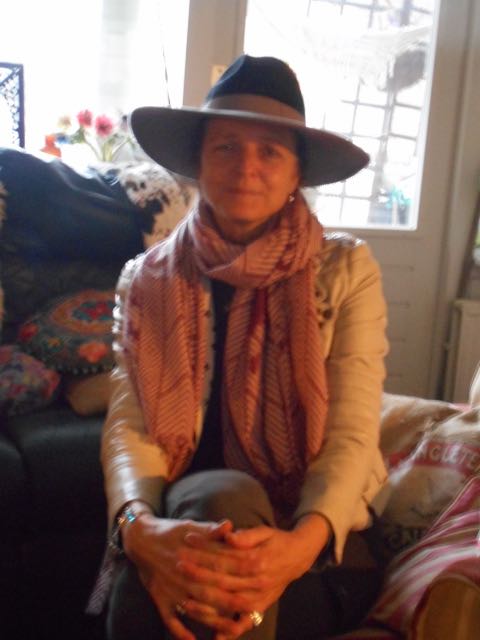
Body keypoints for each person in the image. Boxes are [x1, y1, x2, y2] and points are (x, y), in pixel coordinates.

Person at [100, 54, 389, 640]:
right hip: (183, 519)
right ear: (199, 162)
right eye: (226, 146)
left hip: (314, 538)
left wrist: (298, 547)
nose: (246, 167)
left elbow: (352, 433)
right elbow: (130, 425)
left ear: (296, 173)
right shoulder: (145, 279)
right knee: (212, 504)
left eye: (270, 152)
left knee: (172, 584)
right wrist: (137, 528)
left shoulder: (346, 269)